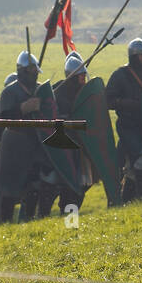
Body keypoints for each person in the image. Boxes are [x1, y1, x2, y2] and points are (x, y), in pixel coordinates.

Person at [0, 51, 52, 222]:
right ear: (23, 72)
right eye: (32, 71)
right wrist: (22, 108)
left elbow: (50, 112)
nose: (35, 74)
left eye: (36, 71)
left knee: (34, 184)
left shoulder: (40, 90)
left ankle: (28, 220)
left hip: (35, 141)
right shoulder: (10, 92)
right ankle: (4, 223)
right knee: (10, 189)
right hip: (15, 143)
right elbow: (4, 119)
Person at [106, 38, 142, 202]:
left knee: (141, 165)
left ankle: (131, 199)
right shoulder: (120, 75)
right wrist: (126, 103)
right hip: (128, 127)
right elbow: (108, 100)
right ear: (133, 57)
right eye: (140, 56)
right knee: (141, 159)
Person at [54, 51, 92, 213]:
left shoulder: (84, 93)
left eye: (84, 77)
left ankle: (69, 211)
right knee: (69, 182)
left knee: (84, 182)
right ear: (72, 77)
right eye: (81, 77)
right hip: (65, 145)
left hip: (82, 143)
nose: (83, 80)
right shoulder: (57, 91)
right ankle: (68, 213)